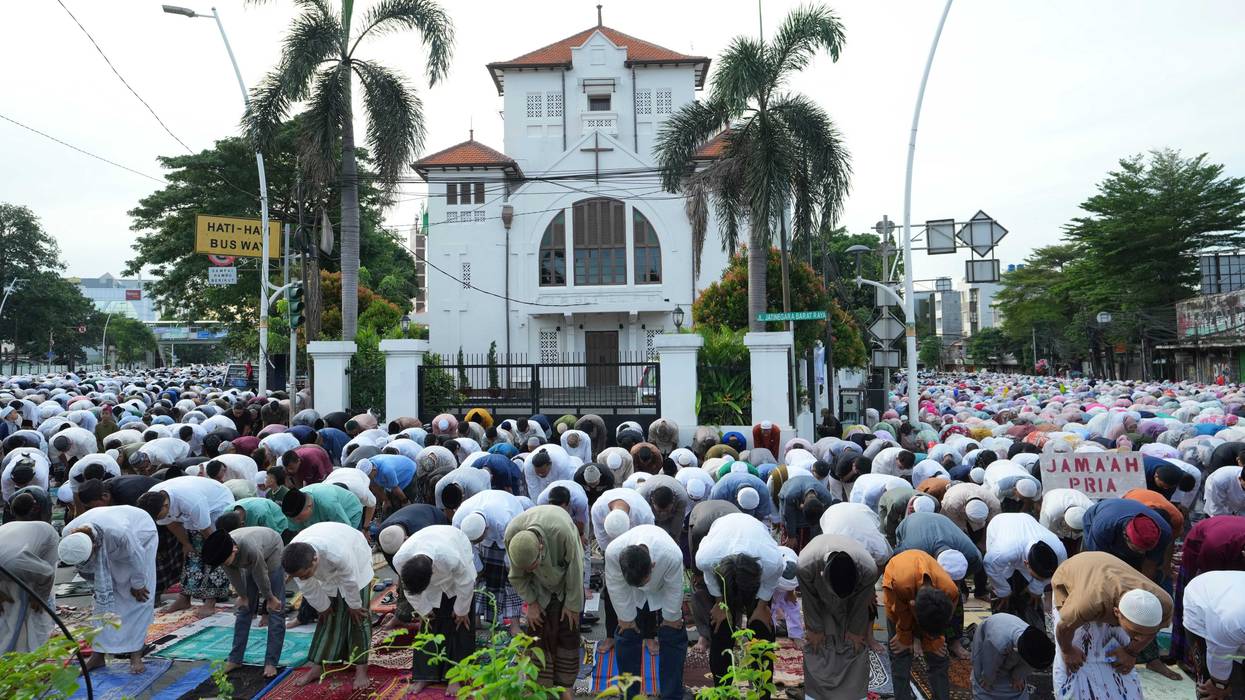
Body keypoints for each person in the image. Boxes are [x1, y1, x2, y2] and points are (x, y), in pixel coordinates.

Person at [1051, 551, 1172, 698]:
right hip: (1073, 574)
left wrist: (1130, 652)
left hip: (1108, 575)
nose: (1139, 638)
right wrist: (1068, 650)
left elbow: (1151, 631)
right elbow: (1064, 627)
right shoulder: (1086, 603)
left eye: (1145, 633)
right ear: (1116, 613)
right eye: (1135, 632)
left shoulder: (1164, 605)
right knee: (1073, 665)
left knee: (1119, 669)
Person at [59, 504, 158, 673]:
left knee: (137, 599)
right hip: (111, 546)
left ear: (95, 546)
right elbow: (84, 567)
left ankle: (136, 654)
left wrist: (138, 584)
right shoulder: (69, 534)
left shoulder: (119, 532)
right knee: (103, 603)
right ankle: (98, 655)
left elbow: (137, 556)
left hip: (141, 536)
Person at [694, 511, 783, 694]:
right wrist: (720, 602)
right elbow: (710, 576)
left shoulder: (771, 562)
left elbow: (772, 580)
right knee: (720, 626)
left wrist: (761, 606)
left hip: (755, 543)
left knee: (761, 629)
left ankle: (761, 691)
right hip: (722, 535)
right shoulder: (707, 558)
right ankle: (722, 692)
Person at [505, 505, 584, 700]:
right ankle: (540, 686)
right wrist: (531, 603)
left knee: (568, 628)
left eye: (534, 565)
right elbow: (517, 577)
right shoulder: (512, 536)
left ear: (541, 547)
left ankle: (565, 686)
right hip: (538, 587)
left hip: (565, 578)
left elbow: (575, 567)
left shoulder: (562, 532)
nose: (532, 569)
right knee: (538, 630)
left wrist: (572, 605)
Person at [282, 521, 374, 690]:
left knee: (358, 618)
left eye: (306, 574)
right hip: (329, 574)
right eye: (299, 576)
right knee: (327, 617)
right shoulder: (294, 558)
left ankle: (361, 670)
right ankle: (317, 667)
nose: (303, 578)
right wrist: (322, 606)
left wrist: (353, 604)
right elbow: (307, 587)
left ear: (315, 560)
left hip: (356, 563)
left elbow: (350, 579)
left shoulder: (337, 553)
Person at [604, 523, 686, 700]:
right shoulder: (613, 552)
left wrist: (671, 618)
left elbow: (675, 588)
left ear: (653, 565)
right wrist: (626, 618)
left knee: (673, 633)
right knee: (626, 633)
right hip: (630, 593)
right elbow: (616, 586)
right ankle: (629, 694)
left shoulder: (671, 555)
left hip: (664, 587)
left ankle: (671, 695)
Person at [393, 525, 477, 694]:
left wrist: (461, 610)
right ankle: (424, 675)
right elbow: (410, 589)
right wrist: (423, 610)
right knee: (428, 625)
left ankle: (456, 678)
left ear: (432, 573)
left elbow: (466, 582)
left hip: (456, 561)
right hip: (428, 561)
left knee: (461, 623)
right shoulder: (400, 559)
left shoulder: (450, 558)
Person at [137, 475, 235, 616]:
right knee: (192, 554)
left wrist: (215, 551)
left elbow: (210, 536)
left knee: (215, 554)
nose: (157, 519)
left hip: (216, 505)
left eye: (158, 516)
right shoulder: (152, 500)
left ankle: (210, 601)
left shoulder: (191, 501)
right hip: (192, 512)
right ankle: (184, 597)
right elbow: (171, 523)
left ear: (165, 506)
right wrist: (186, 543)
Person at [796, 534, 879, 700]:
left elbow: (861, 603)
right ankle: (817, 693)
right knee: (820, 642)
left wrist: (855, 631)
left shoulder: (868, 570)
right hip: (820, 599)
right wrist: (814, 628)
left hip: (854, 601)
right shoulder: (806, 565)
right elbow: (809, 600)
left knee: (853, 644)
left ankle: (851, 693)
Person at [201, 526, 286, 678]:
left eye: (225, 561)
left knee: (276, 608)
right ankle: (235, 659)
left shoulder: (249, 549)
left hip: (272, 549)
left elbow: (260, 575)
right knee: (244, 608)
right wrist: (243, 596)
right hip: (250, 555)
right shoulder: (225, 552)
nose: (224, 564)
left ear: (234, 551)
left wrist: (270, 598)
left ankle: (271, 662)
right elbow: (232, 573)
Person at [882, 549, 959, 700]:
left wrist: (934, 641)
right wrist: (905, 637)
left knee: (938, 655)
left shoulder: (950, 592)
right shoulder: (899, 584)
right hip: (897, 598)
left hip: (923, 605)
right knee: (900, 653)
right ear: (913, 607)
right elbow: (899, 615)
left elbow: (942, 621)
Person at [454, 489, 526, 633]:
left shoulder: (506, 519)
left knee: (510, 582)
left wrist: (512, 571)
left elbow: (511, 550)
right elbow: (464, 547)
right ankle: (475, 620)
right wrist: (477, 569)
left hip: (509, 538)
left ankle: (514, 625)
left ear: (486, 529)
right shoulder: (459, 519)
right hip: (487, 533)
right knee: (478, 580)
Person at [983, 512, 1065, 629]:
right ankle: (1000, 623)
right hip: (1000, 524)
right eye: (1037, 577)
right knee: (1003, 589)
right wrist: (1003, 591)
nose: (1040, 580)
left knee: (1030, 596)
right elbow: (990, 566)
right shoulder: (1002, 552)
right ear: (1026, 564)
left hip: (1027, 520)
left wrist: (1037, 588)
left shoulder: (1058, 551)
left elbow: (1058, 574)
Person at [1181, 570, 1245, 699]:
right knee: (1213, 690)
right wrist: (1219, 685)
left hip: (1229, 599)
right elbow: (1219, 654)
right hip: (1202, 605)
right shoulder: (1233, 620)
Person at [0, 520, 58, 653]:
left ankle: (38, 651)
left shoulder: (14, 564)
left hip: (46, 539)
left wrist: (39, 598)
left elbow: (47, 573)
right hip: (13, 536)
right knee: (10, 606)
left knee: (34, 609)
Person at [1079, 497, 1171, 580]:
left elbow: (1150, 566)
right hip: (1098, 515)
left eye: (1147, 550)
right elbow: (1099, 561)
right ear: (1125, 537)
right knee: (1099, 568)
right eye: (1139, 549)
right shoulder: (1103, 528)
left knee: (1138, 567)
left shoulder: (1164, 531)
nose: (1143, 553)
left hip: (1123, 511)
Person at [970, 612, 1055, 700]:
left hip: (1014, 643)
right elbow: (990, 662)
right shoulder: (997, 643)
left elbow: (1028, 664)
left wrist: (1018, 677)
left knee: (1017, 684)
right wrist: (988, 678)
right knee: (984, 682)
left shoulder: (1032, 640)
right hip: (990, 638)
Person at [777, 473, 836, 550]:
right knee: (791, 543)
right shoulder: (791, 496)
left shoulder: (826, 498)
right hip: (789, 493)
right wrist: (791, 536)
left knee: (812, 540)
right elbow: (789, 517)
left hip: (802, 493)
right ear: (801, 507)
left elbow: (822, 521)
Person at [282, 481, 364, 531]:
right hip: (324, 519)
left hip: (349, 511)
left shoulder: (328, 503)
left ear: (309, 506)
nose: (296, 522)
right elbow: (301, 532)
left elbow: (347, 530)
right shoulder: (292, 512)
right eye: (294, 519)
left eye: (299, 518)